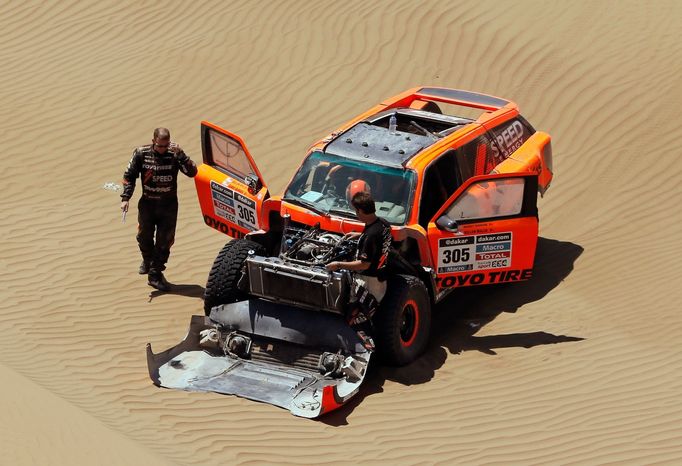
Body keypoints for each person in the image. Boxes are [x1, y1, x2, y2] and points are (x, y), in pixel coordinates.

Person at [120, 128, 197, 291]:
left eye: (166, 145)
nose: (164, 149)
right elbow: (129, 176)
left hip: (168, 206)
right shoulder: (141, 153)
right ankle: (147, 260)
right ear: (153, 141)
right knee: (143, 237)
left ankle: (155, 275)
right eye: (160, 146)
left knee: (165, 241)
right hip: (148, 204)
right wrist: (126, 198)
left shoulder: (175, 154)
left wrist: (182, 154)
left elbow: (192, 172)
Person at [326, 187, 392, 349]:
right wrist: (359, 235)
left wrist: (338, 265)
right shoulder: (383, 224)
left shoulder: (370, 236)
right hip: (381, 277)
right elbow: (374, 237)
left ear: (361, 211)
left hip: (368, 283)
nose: (355, 213)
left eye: (356, 210)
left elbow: (364, 264)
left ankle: (366, 351)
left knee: (355, 319)